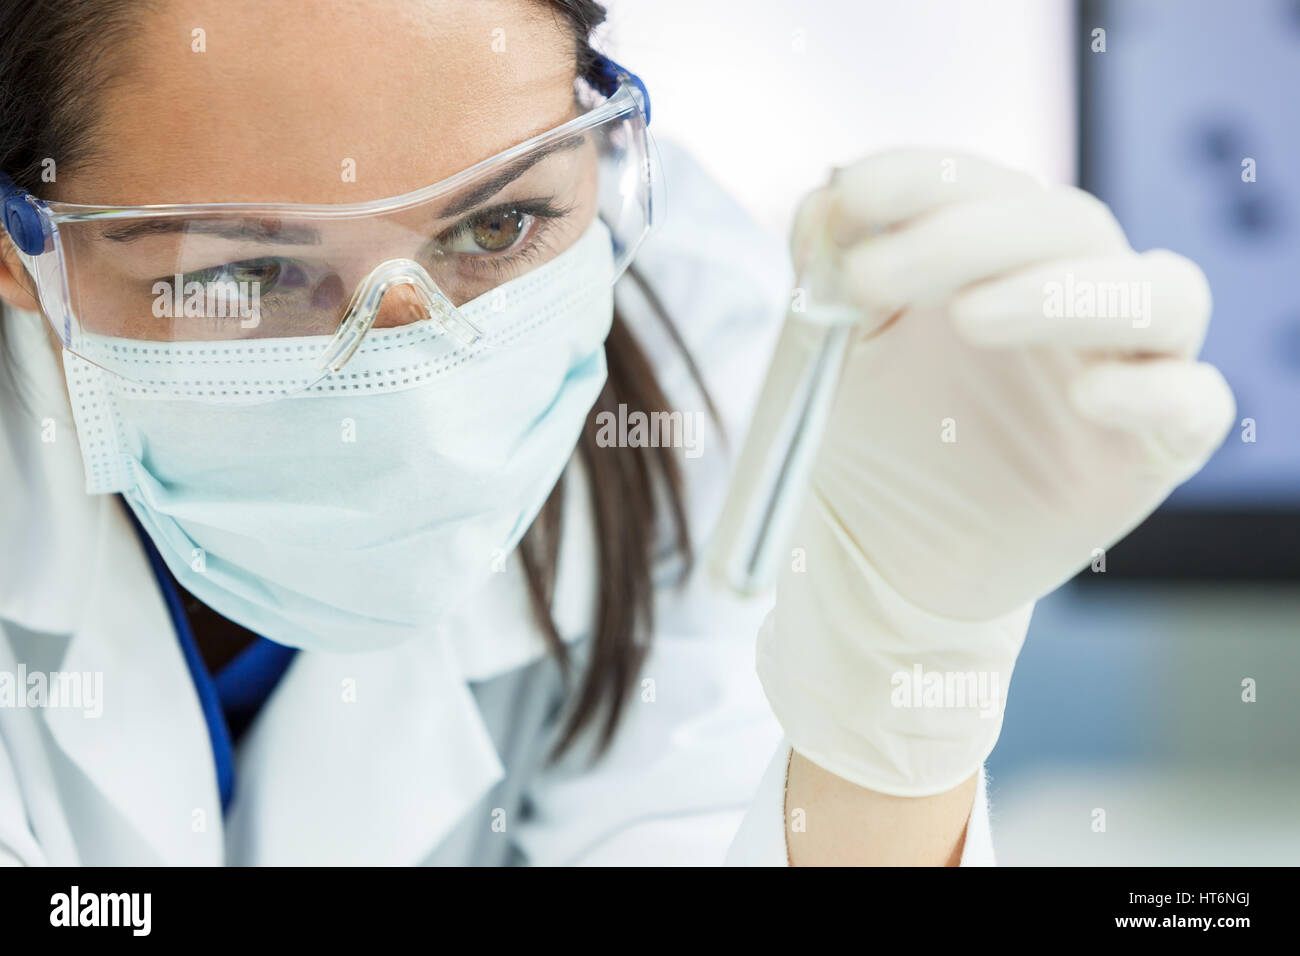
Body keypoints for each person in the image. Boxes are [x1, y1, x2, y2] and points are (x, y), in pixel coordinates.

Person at [0, 0, 1233, 866]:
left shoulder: (692, 344)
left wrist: (906, 679)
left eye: (495, 228)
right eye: (253, 269)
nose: (414, 386)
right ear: (21, 255)